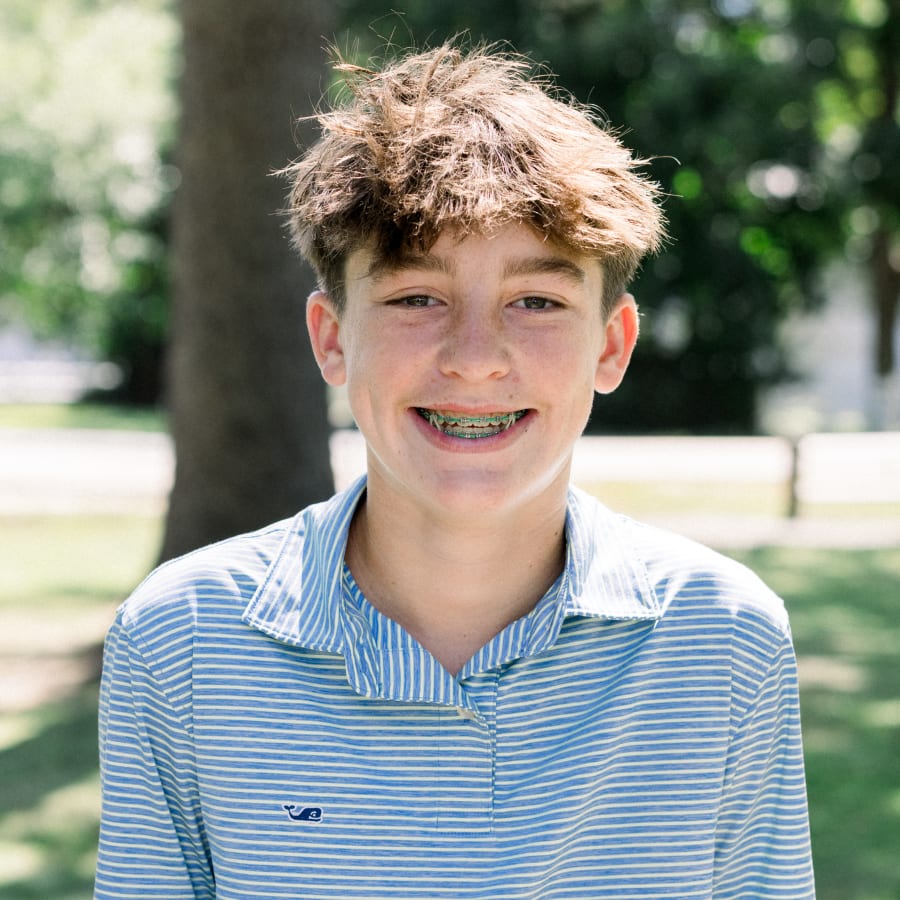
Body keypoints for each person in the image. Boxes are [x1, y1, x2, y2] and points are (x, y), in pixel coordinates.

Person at [95, 43, 815, 899]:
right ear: (332, 338)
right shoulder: (180, 643)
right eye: (416, 298)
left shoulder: (725, 639)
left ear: (611, 345)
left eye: (537, 301)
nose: (475, 359)